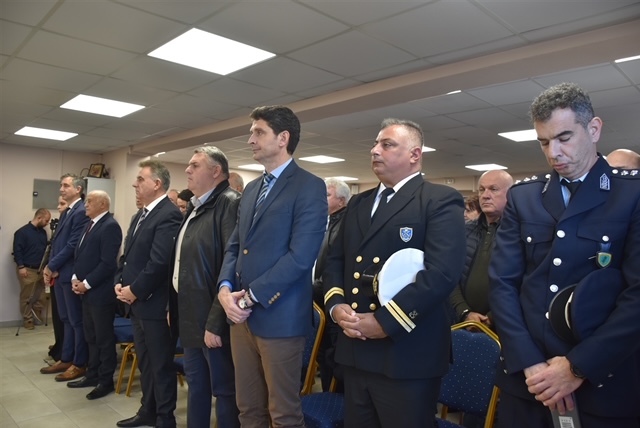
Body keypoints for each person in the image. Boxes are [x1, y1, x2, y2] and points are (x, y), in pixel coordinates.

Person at [489, 82, 640, 428]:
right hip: (528, 382)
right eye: (544, 142)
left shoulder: (631, 194)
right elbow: (502, 284)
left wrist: (576, 367)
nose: (553, 152)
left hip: (602, 382)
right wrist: (530, 363)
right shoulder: (525, 197)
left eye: (564, 138)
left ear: (594, 129)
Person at [322, 118, 466, 428]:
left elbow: (441, 274)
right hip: (355, 346)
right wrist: (336, 306)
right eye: (375, 144)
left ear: (415, 154)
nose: (375, 150)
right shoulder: (359, 203)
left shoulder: (438, 200)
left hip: (406, 353)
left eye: (386, 144)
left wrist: (385, 322)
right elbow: (335, 261)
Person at [217, 105, 327, 428]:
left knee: (283, 414)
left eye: (258, 132)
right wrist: (224, 288)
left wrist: (250, 297)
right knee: (248, 409)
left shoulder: (309, 186)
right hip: (240, 319)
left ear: (283, 138)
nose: (250, 139)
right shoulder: (252, 189)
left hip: (280, 318)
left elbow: (301, 257)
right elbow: (236, 245)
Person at [168, 146, 241, 428]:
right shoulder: (196, 205)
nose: (187, 170)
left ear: (216, 171)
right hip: (190, 312)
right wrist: (173, 306)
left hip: (212, 317)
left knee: (223, 390)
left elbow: (231, 266)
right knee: (196, 385)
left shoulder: (229, 203)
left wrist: (216, 322)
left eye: (195, 165)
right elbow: (182, 262)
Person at [114, 160, 182, 428]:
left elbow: (159, 262)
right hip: (137, 304)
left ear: (157, 183)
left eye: (141, 179)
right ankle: (148, 411)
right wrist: (120, 282)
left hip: (155, 305)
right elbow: (128, 257)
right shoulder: (139, 215)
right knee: (145, 363)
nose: (135, 184)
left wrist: (135, 290)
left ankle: (165, 418)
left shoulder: (169, 214)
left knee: (160, 366)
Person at [67, 190, 122, 400]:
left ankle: (105, 381)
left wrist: (86, 284)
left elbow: (108, 263)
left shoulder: (110, 226)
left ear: (102, 204)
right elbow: (79, 256)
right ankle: (92, 375)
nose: (86, 204)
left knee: (103, 339)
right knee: (90, 336)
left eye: (90, 201)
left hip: (100, 294)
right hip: (86, 292)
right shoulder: (89, 224)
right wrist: (75, 278)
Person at [41, 174, 90, 382]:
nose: (61, 189)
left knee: (75, 321)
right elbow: (57, 243)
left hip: (69, 273)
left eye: (66, 185)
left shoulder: (80, 211)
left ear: (78, 189)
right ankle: (66, 357)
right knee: (65, 319)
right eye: (61, 185)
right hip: (59, 273)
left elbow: (72, 246)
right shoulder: (68, 211)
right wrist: (49, 267)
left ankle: (79, 363)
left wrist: (52, 266)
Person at [450, 169, 513, 327]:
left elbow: (524, 283)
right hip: (461, 321)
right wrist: (464, 312)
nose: (485, 195)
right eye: (481, 189)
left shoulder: (518, 233)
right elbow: (450, 275)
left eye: (493, 189)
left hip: (503, 324)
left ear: (510, 194)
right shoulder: (464, 231)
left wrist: (491, 317)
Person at [312, 177, 350, 392]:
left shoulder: (345, 225)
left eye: (327, 195)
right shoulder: (326, 222)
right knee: (323, 355)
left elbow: (333, 269)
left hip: (334, 301)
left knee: (333, 357)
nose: (321, 198)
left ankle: (335, 402)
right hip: (320, 300)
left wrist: (308, 291)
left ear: (342, 201)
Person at [13, 208, 51, 330]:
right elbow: (17, 251)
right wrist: (21, 267)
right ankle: (27, 319)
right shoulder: (22, 232)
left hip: (42, 269)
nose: (47, 223)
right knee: (27, 296)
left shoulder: (43, 233)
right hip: (27, 269)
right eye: (46, 220)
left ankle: (36, 308)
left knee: (47, 292)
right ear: (39, 218)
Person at [47, 197, 68, 363]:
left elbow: (69, 249)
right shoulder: (61, 223)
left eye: (62, 204)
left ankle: (64, 350)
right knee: (57, 315)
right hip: (55, 275)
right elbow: (53, 249)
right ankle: (59, 344)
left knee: (65, 319)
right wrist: (48, 268)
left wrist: (53, 267)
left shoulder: (74, 221)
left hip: (63, 274)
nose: (58, 207)